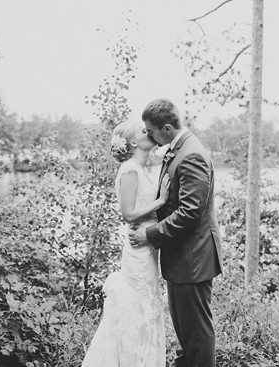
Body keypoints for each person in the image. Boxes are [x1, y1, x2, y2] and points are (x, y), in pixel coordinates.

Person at [129, 98, 223, 367]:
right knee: (186, 332)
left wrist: (150, 235)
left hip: (193, 258)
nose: (148, 135)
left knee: (196, 333)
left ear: (167, 128)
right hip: (182, 257)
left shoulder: (191, 154)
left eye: (150, 131)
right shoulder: (178, 148)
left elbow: (190, 213)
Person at [82, 120, 170, 366]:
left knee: (148, 306)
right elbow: (128, 213)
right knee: (138, 310)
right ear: (133, 142)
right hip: (138, 248)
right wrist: (162, 200)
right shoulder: (130, 170)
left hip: (148, 246)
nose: (149, 133)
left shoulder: (143, 167)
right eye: (144, 131)